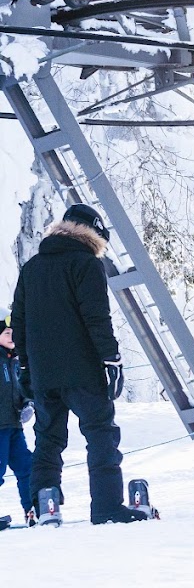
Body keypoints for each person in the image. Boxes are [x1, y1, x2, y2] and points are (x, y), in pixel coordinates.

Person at [10, 203, 145, 525]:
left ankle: (44, 504)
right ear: (94, 234)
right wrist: (111, 360)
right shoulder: (85, 264)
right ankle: (107, 506)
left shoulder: (32, 267)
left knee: (48, 440)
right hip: (83, 370)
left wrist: (26, 368)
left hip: (44, 374)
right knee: (100, 434)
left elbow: (19, 324)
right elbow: (97, 317)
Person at [0, 315, 34, 524]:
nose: (11, 337)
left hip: (14, 425)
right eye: (6, 333)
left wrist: (29, 403)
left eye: (13, 333)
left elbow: (24, 388)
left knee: (25, 466)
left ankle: (32, 508)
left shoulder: (15, 361)